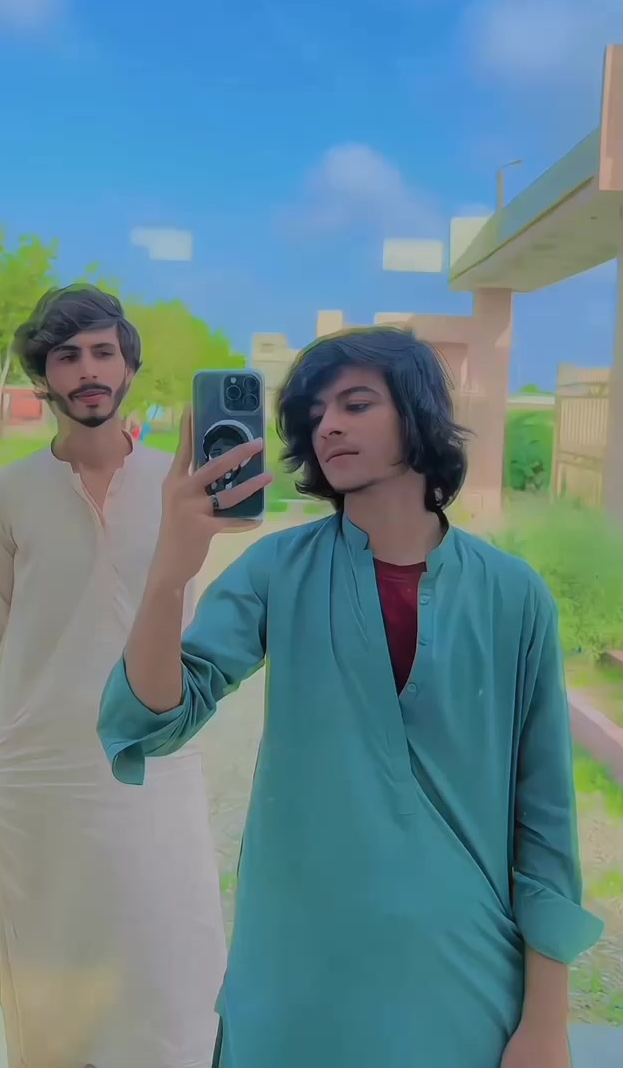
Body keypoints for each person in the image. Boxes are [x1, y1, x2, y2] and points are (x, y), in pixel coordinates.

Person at [97, 326, 604, 1068]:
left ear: (420, 413)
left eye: (356, 404)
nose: (328, 425)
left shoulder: (513, 595)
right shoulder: (278, 570)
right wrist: (171, 571)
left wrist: (547, 1023)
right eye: (315, 414)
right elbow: (156, 719)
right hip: (295, 980)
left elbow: (546, 818)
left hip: (462, 986)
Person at [0, 285, 227, 1068]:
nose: (88, 370)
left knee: (173, 973)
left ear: (129, 368)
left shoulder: (178, 486)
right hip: (38, 774)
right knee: (52, 990)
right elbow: (1, 633)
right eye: (67, 355)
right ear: (42, 376)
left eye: (103, 352)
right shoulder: (4, 496)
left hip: (154, 761)